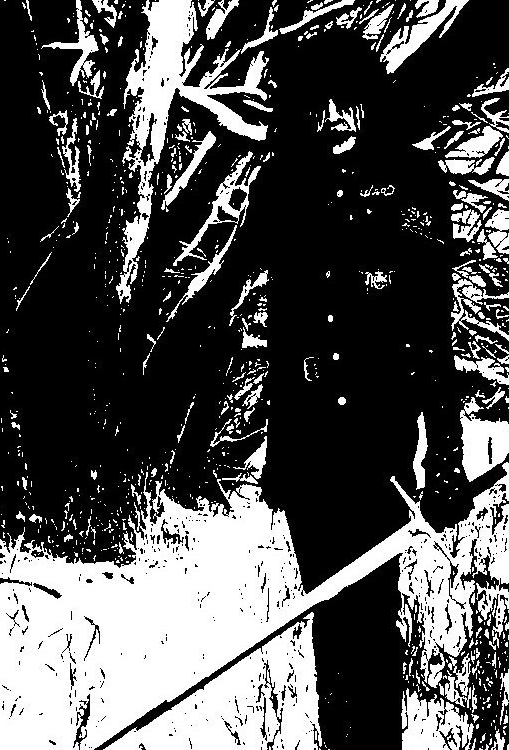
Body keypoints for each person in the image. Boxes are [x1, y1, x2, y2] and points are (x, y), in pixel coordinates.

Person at [151, 28, 472, 750]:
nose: (331, 118)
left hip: (380, 443)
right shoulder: (281, 186)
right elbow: (223, 292)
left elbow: (432, 324)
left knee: (371, 619)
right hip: (305, 447)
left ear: (369, 102)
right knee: (330, 616)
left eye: (345, 101)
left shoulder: (413, 182)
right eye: (315, 105)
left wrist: (447, 457)